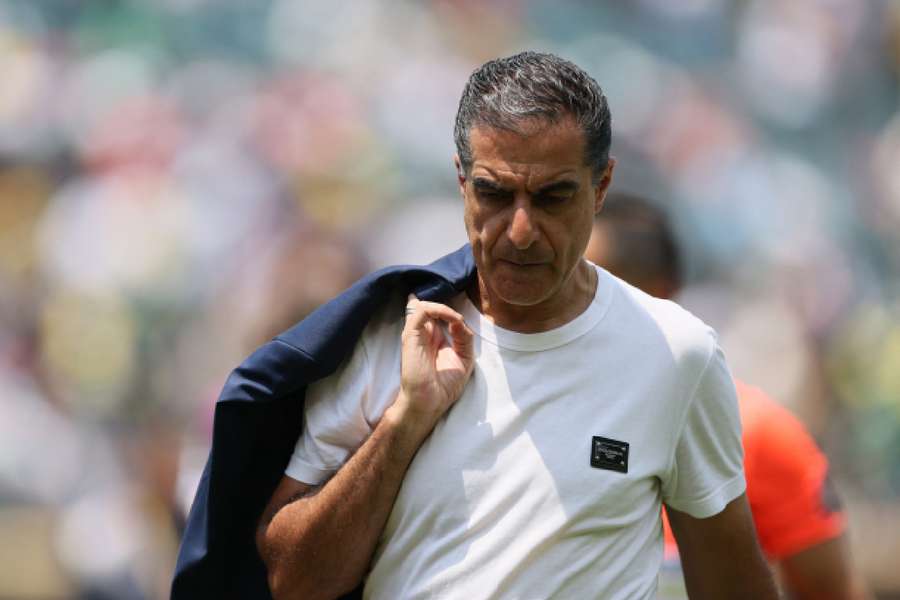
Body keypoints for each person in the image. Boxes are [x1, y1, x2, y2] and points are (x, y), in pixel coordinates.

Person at [173, 52, 778, 599]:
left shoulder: (676, 353)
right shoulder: (386, 336)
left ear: (601, 187)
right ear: (462, 182)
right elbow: (295, 583)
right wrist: (404, 423)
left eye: (552, 197)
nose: (520, 230)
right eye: (494, 194)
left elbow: (732, 582)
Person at [586, 191, 870, 600]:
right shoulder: (535, 417)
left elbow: (834, 592)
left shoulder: (755, 434)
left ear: (660, 292)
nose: (570, 304)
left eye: (591, 285)